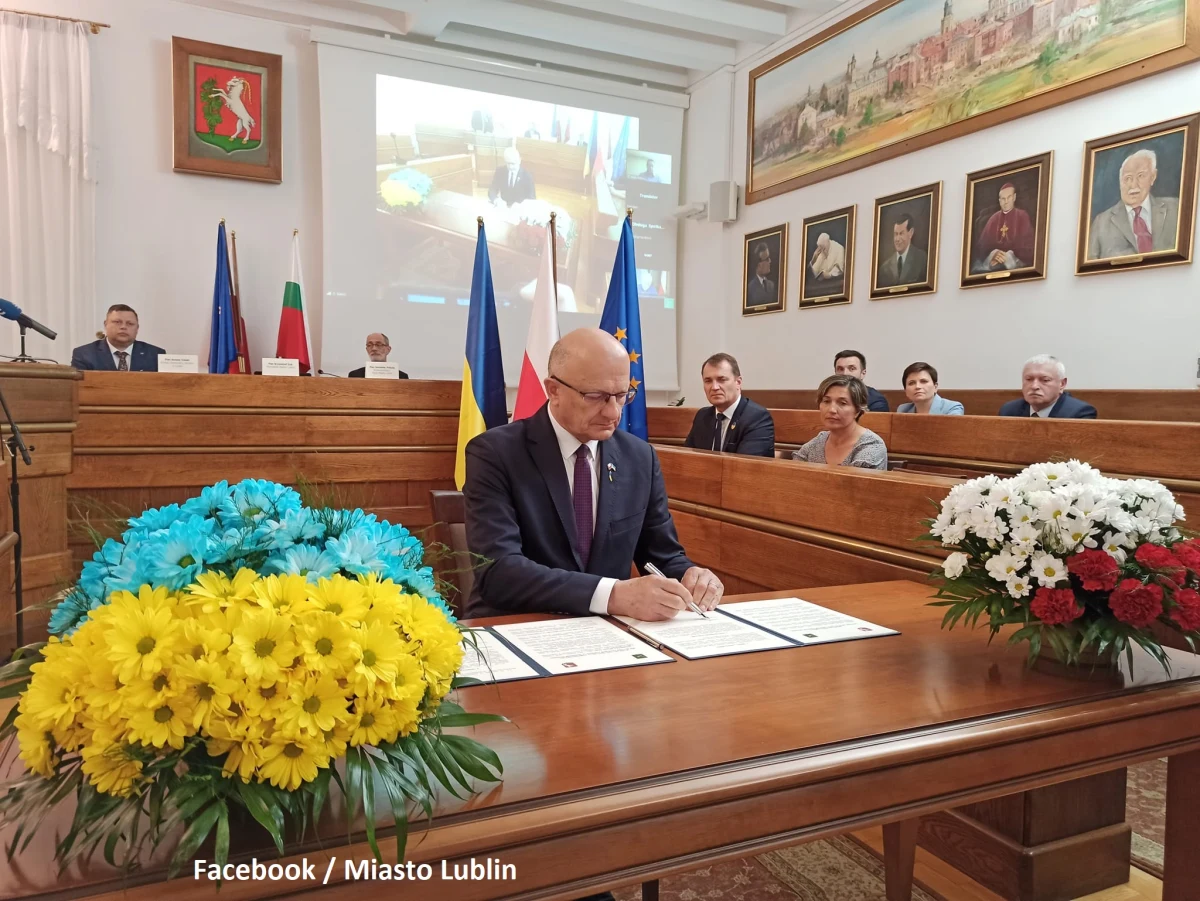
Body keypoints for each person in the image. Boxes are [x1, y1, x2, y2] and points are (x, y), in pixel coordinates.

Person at [463, 328, 723, 621]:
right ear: (553, 390)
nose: (613, 413)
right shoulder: (495, 453)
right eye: (596, 396)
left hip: (609, 632)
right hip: (519, 624)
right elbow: (499, 572)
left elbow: (661, 555)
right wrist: (613, 595)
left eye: (623, 395)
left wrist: (692, 575)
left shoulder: (639, 458)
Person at [1088, 148, 1180, 260]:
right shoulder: (1101, 223)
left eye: (1141, 176)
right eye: (1127, 178)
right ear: (1120, 181)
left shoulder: (1176, 209)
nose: (1133, 185)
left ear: (1153, 176)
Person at [683, 353, 775, 457]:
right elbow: (687, 458)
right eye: (708, 381)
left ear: (738, 382)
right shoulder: (702, 416)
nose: (714, 387)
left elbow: (747, 466)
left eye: (721, 379)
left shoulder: (757, 418)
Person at [791, 375, 888, 470]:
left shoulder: (871, 445)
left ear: (858, 410)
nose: (832, 409)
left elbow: (850, 484)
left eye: (842, 403)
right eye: (826, 401)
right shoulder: (819, 441)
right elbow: (793, 472)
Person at [70, 304, 164, 372]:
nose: (123, 327)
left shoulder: (156, 355)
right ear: (105, 325)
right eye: (117, 322)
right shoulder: (84, 354)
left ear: (137, 329)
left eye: (130, 324)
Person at [999, 355, 1097, 419]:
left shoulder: (1079, 414)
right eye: (1029, 379)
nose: (1034, 386)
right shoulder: (1009, 411)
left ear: (1062, 384)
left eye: (1045, 380)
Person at [973, 182, 1035, 273]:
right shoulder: (993, 219)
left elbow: (1028, 247)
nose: (1006, 201)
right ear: (999, 200)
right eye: (1003, 198)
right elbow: (981, 247)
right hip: (994, 264)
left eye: (1009, 197)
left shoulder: (1022, 216)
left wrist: (1008, 256)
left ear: (1014, 197)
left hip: (1016, 261)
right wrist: (993, 254)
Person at [875, 212, 928, 287]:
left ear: (911, 233)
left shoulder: (922, 259)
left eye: (901, 233)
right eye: (896, 234)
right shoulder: (884, 268)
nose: (897, 239)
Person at [896, 362, 964, 414]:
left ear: (935, 387)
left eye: (923, 381)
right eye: (911, 383)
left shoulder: (952, 408)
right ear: (906, 391)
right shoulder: (903, 410)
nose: (917, 386)